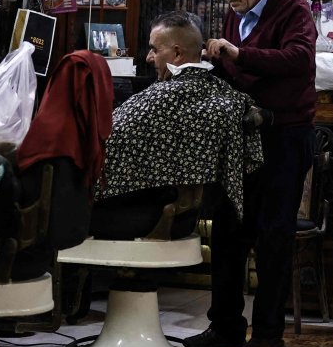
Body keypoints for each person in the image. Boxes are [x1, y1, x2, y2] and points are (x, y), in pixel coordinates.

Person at [189, 0, 317, 347]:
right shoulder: (235, 16)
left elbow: (298, 60)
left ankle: (267, 333)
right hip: (242, 138)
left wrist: (238, 53)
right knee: (228, 231)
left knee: (272, 234)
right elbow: (237, 73)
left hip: (284, 137)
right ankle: (225, 326)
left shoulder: (293, 8)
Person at [93, 12, 263, 231]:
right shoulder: (223, 94)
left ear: (177, 53)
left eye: (155, 49)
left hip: (146, 213)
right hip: (184, 215)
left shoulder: (164, 99)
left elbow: (103, 144)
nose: (149, 58)